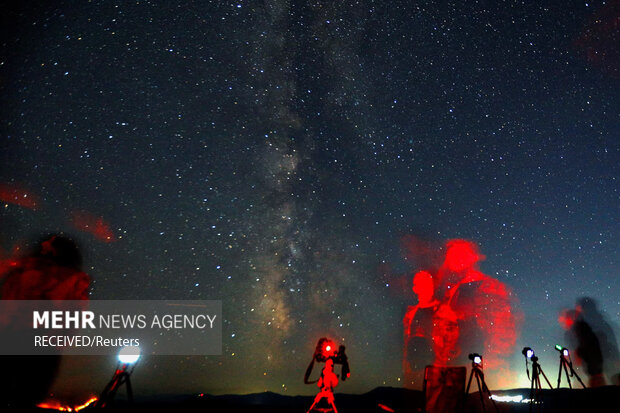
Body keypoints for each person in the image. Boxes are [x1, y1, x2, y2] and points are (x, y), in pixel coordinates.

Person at [0, 234, 91, 408]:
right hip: (38, 343)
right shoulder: (73, 280)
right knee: (28, 394)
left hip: (16, 339)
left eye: (48, 246)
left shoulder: (22, 273)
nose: (44, 248)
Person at [403, 271, 440, 388]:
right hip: (413, 369)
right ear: (416, 288)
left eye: (429, 284)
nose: (428, 288)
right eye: (423, 284)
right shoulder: (410, 314)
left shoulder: (442, 311)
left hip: (435, 368)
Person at [558, 308, 606, 387]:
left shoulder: (583, 333)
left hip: (594, 373)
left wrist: (577, 353)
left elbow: (584, 352)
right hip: (595, 372)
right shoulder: (588, 333)